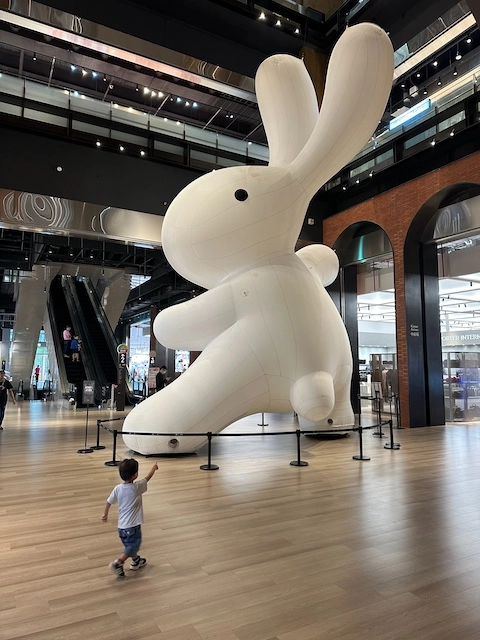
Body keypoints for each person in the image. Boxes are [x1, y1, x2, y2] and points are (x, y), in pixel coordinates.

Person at [101, 458, 158, 577]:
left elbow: (109, 501)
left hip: (121, 527)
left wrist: (105, 514)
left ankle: (136, 561)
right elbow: (147, 478)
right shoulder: (136, 488)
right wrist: (153, 468)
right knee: (134, 545)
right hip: (132, 527)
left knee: (130, 546)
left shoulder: (118, 488)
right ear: (135, 474)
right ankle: (118, 562)